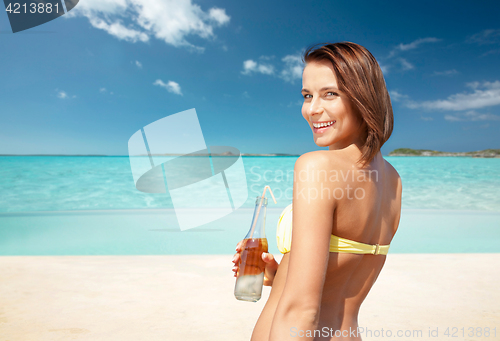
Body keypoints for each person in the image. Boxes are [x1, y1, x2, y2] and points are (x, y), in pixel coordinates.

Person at [232, 41, 402, 341]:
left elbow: (301, 309)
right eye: (307, 95)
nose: (312, 109)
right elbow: (345, 275)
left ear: (364, 97)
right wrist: (278, 271)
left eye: (330, 94)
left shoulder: (317, 167)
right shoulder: (392, 179)